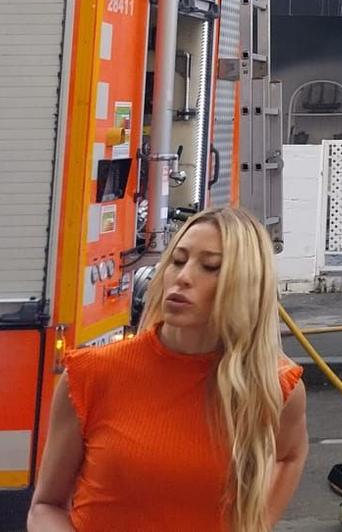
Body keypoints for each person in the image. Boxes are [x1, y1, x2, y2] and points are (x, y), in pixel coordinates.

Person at [29, 205, 309, 532]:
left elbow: (289, 456)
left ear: (247, 285)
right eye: (177, 260)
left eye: (210, 266)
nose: (183, 277)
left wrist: (257, 523)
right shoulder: (90, 374)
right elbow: (45, 506)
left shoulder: (274, 388)